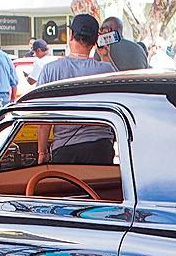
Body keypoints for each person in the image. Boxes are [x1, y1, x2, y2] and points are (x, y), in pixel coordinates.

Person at [31, 13, 116, 162]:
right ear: (95, 41)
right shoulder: (106, 70)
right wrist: (105, 56)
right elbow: (119, 91)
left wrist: (42, 152)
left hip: (65, 149)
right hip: (100, 148)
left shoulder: (50, 70)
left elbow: (44, 120)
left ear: (71, 36)